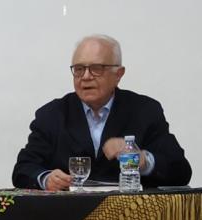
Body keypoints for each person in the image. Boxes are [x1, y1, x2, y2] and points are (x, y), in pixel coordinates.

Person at [13, 34, 190, 190]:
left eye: (96, 68)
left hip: (130, 215)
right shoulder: (52, 114)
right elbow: (23, 168)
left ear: (119, 74)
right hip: (67, 216)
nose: (86, 76)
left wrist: (143, 161)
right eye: (79, 69)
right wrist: (46, 179)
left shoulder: (145, 111)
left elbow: (181, 171)